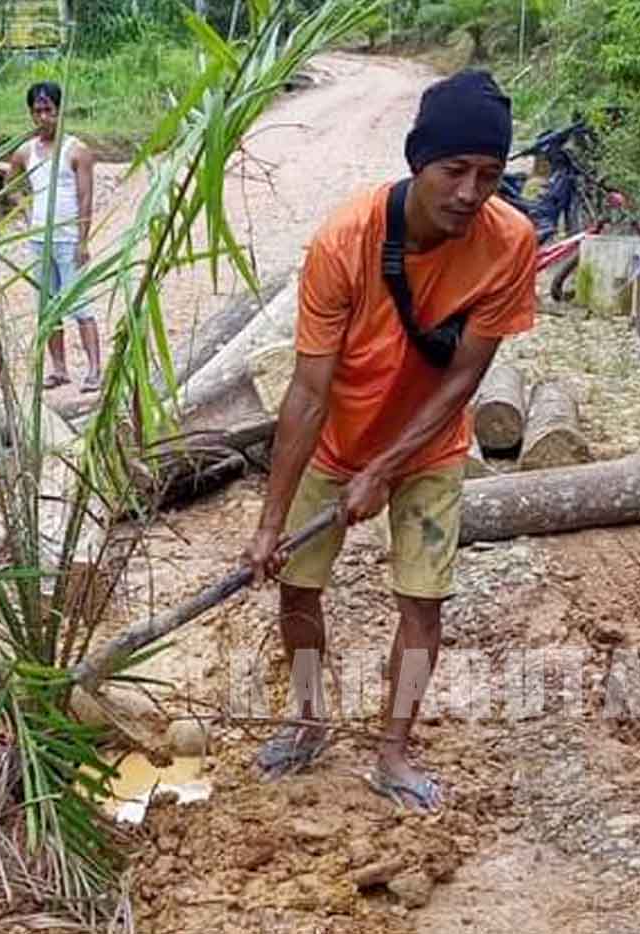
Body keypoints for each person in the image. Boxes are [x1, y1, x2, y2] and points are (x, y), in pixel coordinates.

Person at [240, 70, 537, 813]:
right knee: (298, 585)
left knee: (422, 600)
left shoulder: (511, 244)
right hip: (336, 439)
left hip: (429, 444)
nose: (471, 192)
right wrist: (271, 522)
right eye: (455, 170)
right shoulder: (346, 241)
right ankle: (311, 721)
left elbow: (463, 379)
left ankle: (393, 754)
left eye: (490, 175)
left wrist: (387, 467)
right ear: (416, 161)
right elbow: (307, 391)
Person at [6, 81, 101, 392]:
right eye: (37, 111)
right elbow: (10, 186)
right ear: (31, 114)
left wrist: (83, 241)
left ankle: (94, 370)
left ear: (59, 111)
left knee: (80, 305)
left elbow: (85, 197)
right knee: (47, 308)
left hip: (68, 239)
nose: (43, 117)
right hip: (39, 241)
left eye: (48, 110)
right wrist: (26, 213)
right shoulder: (25, 152)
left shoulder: (77, 151)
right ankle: (59, 370)